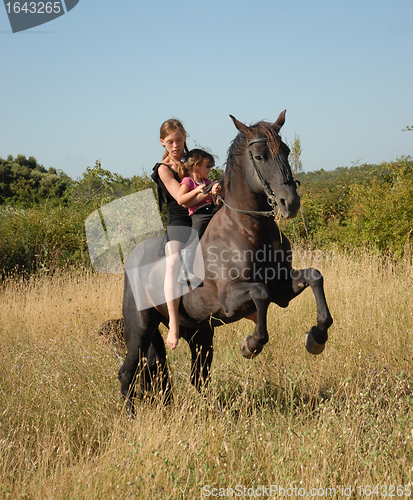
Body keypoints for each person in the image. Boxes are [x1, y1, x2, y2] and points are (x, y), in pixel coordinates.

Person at [151, 119, 194, 351]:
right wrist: (204, 190)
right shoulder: (163, 169)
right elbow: (180, 198)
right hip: (179, 220)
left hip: (203, 213)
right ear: (162, 143)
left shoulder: (194, 161)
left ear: (184, 138)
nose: (176, 145)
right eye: (170, 142)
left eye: (179, 140)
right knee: (173, 264)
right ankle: (174, 325)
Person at [177, 149, 221, 239]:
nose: (209, 169)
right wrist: (196, 191)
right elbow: (180, 200)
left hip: (211, 210)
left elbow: (211, 196)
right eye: (207, 166)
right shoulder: (188, 181)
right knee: (196, 234)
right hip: (199, 214)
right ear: (195, 166)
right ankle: (189, 251)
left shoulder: (207, 181)